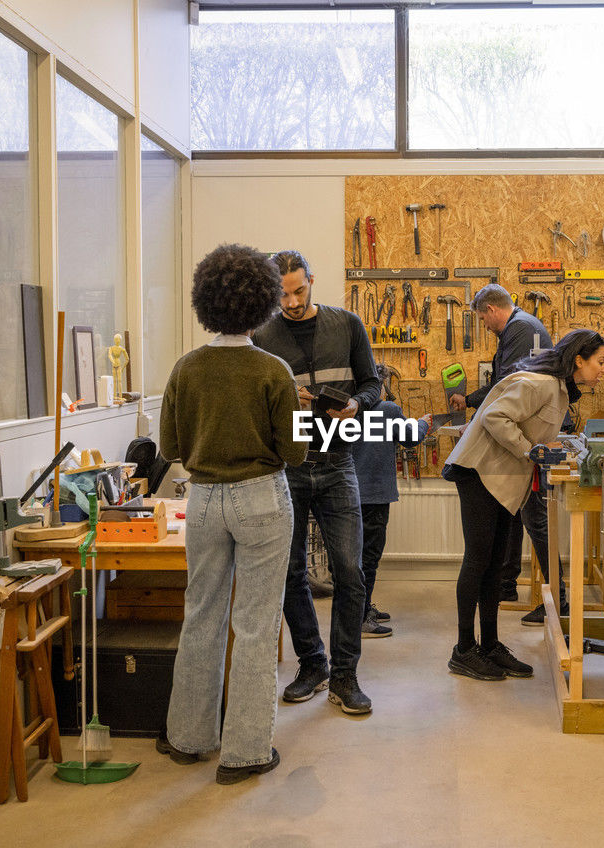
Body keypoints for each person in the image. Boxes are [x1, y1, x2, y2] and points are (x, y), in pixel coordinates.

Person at [157, 243, 306, 784]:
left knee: (201, 615)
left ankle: (189, 738)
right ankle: (245, 752)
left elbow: (171, 444)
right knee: (256, 626)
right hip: (262, 497)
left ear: (206, 301)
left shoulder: (186, 368)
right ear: (262, 303)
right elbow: (294, 452)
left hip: (201, 502)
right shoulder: (273, 371)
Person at [252, 250, 380, 715]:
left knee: (350, 573)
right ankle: (313, 663)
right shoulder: (262, 337)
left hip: (338, 462)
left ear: (312, 281)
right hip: (285, 468)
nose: (290, 301)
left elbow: (373, 384)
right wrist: (289, 400)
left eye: (298, 290)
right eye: (281, 294)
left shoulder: (347, 325)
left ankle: (345, 676)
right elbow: (256, 407)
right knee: (289, 574)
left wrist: (356, 406)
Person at [442, 330, 604, 681]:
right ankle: (463, 650)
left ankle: (488, 645)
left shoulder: (558, 390)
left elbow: (532, 428)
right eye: (601, 361)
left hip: (500, 479)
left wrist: (552, 446)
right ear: (579, 360)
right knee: (478, 561)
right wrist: (529, 450)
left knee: (495, 564)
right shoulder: (542, 385)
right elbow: (495, 417)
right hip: (479, 472)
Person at [450, 283, 563, 623]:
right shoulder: (521, 327)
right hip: (523, 439)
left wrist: (476, 418)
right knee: (513, 512)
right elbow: (505, 386)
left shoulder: (520, 328)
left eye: (483, 317)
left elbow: (505, 391)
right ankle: (506, 582)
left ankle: (558, 599)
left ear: (493, 310)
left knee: (535, 520)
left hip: (526, 441)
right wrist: (472, 403)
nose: (484, 325)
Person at [351, 392, 433, 638]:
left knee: (355, 558)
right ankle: (362, 618)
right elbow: (411, 438)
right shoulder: (387, 408)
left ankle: (359, 610)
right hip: (374, 494)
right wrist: (424, 423)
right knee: (369, 559)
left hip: (348, 493)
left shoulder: (348, 409)